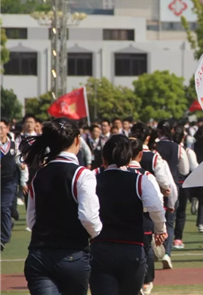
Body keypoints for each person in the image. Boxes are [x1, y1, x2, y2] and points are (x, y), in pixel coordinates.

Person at [22, 118, 102, 295]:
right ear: (76, 140)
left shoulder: (39, 174)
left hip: (39, 255)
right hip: (72, 255)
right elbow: (88, 218)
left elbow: (31, 221)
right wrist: (96, 232)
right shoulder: (82, 174)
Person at [90, 135, 167, 295]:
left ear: (104, 159)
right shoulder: (140, 180)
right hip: (132, 249)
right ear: (128, 158)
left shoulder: (93, 180)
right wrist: (160, 229)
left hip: (101, 247)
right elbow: (155, 206)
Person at [127, 138, 164, 295]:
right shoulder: (146, 176)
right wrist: (160, 228)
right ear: (140, 155)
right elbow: (157, 202)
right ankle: (146, 282)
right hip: (144, 219)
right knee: (146, 249)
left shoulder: (110, 174)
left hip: (122, 220)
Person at [155, 120, 189, 269]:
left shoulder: (154, 147)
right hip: (172, 187)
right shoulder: (178, 148)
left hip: (152, 186)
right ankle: (167, 253)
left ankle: (152, 250)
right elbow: (185, 170)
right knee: (170, 221)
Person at [1, 119, 23, 251]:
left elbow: (20, 160)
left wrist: (22, 165)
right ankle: (8, 223)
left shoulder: (14, 146)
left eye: (2, 128)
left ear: (7, 129)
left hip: (9, 182)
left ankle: (3, 238)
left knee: (4, 207)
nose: (0, 131)